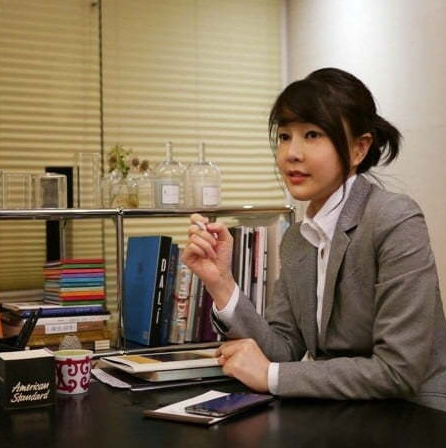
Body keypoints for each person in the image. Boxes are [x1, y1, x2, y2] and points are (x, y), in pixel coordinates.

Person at [182, 67, 446, 411]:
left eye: (312, 135)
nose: (291, 153)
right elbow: (282, 349)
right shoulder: (297, 238)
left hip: (413, 415)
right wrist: (221, 282)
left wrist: (272, 376)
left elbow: (398, 370)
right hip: (339, 411)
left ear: (358, 149)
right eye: (284, 136)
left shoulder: (394, 218)